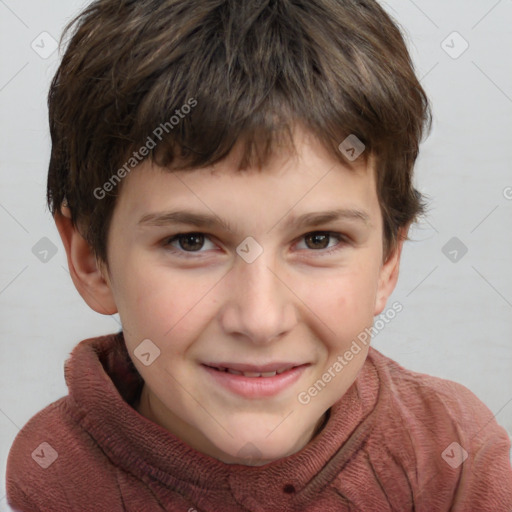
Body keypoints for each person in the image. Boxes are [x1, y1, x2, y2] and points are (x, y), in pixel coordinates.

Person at [6, 0, 512, 510]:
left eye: (319, 240)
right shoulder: (59, 472)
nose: (260, 319)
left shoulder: (457, 456)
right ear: (91, 261)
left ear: (387, 262)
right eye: (192, 242)